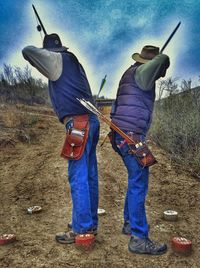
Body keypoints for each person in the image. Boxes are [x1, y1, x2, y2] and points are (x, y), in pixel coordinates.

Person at [22, 33, 100, 244]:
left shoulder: (57, 60)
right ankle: (87, 221)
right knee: (90, 175)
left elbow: (27, 51)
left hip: (79, 124)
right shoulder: (73, 62)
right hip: (91, 121)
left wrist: (49, 53)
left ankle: (82, 228)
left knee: (78, 176)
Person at [110, 45, 170, 255]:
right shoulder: (143, 73)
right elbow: (163, 60)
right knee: (139, 181)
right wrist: (159, 60)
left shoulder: (131, 71)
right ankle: (138, 238)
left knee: (136, 178)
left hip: (122, 134)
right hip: (130, 135)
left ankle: (129, 224)